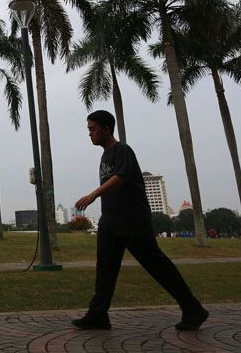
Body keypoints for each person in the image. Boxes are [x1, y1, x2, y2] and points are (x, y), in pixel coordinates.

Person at [71, 110, 209, 331]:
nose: (90, 134)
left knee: (157, 266)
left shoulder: (122, 150)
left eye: (93, 129)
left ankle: (193, 309)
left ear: (106, 129)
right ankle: (97, 314)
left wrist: (94, 194)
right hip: (110, 222)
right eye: (89, 130)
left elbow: (122, 176)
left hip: (132, 220)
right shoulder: (105, 155)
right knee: (105, 268)